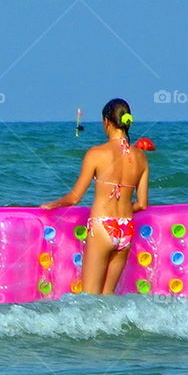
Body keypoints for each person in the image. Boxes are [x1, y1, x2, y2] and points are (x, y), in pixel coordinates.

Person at [41, 98, 148, 295]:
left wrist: (51, 205)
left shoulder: (96, 153)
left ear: (106, 122)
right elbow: (141, 204)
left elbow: (74, 198)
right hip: (125, 228)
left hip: (102, 227)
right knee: (107, 300)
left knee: (90, 298)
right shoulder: (141, 157)